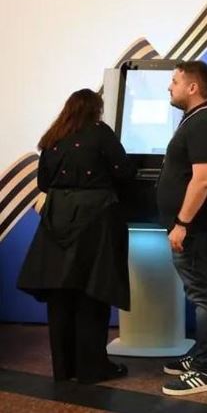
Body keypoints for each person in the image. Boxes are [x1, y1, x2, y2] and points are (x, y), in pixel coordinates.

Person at [18, 88, 134, 384]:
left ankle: (63, 368)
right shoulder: (100, 133)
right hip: (95, 221)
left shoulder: (54, 137)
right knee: (92, 293)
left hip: (56, 219)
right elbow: (124, 171)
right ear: (95, 109)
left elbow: (44, 182)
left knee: (60, 297)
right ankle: (92, 369)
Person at [157, 60, 207, 396]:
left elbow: (203, 179)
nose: (169, 87)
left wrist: (182, 223)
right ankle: (201, 356)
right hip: (196, 228)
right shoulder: (197, 119)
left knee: (204, 297)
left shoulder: (204, 122)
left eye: (174, 81)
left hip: (198, 228)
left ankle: (206, 370)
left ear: (193, 87)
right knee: (201, 294)